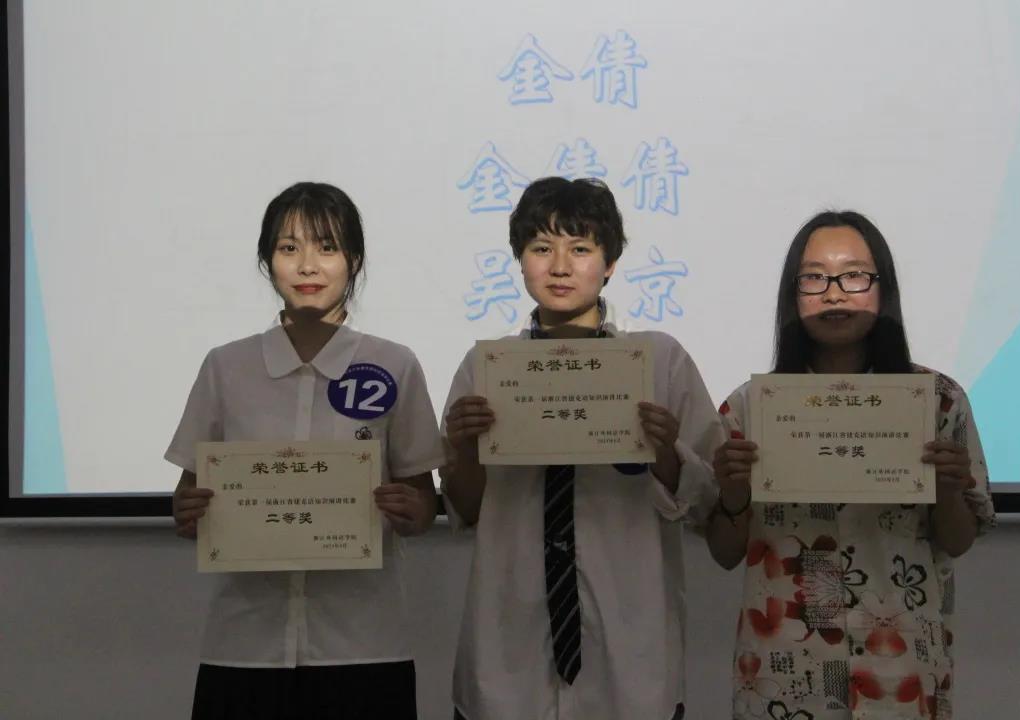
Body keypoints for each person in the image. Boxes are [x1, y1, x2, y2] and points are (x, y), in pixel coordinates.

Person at [440, 177, 722, 720]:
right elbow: (465, 510)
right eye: (541, 248)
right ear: (520, 260)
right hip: (510, 659)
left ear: (610, 263)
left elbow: (709, 499)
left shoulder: (659, 361)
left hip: (629, 657)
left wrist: (665, 452)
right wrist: (466, 450)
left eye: (581, 249)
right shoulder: (488, 368)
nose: (560, 267)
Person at [167, 182, 444, 719]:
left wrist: (414, 511)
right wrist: (187, 511)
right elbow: (187, 496)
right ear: (266, 261)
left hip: (365, 645)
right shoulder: (226, 367)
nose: (307, 265)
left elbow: (422, 502)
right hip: (244, 646)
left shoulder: (395, 364)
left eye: (327, 247)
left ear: (354, 260)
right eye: (289, 248)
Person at [706, 210, 994, 719]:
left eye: (854, 275)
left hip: (900, 666)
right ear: (793, 294)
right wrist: (733, 496)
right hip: (785, 672)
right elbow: (726, 553)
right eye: (814, 277)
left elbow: (958, 541)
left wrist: (949, 490)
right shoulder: (750, 409)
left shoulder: (938, 401)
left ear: (883, 289)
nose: (834, 293)